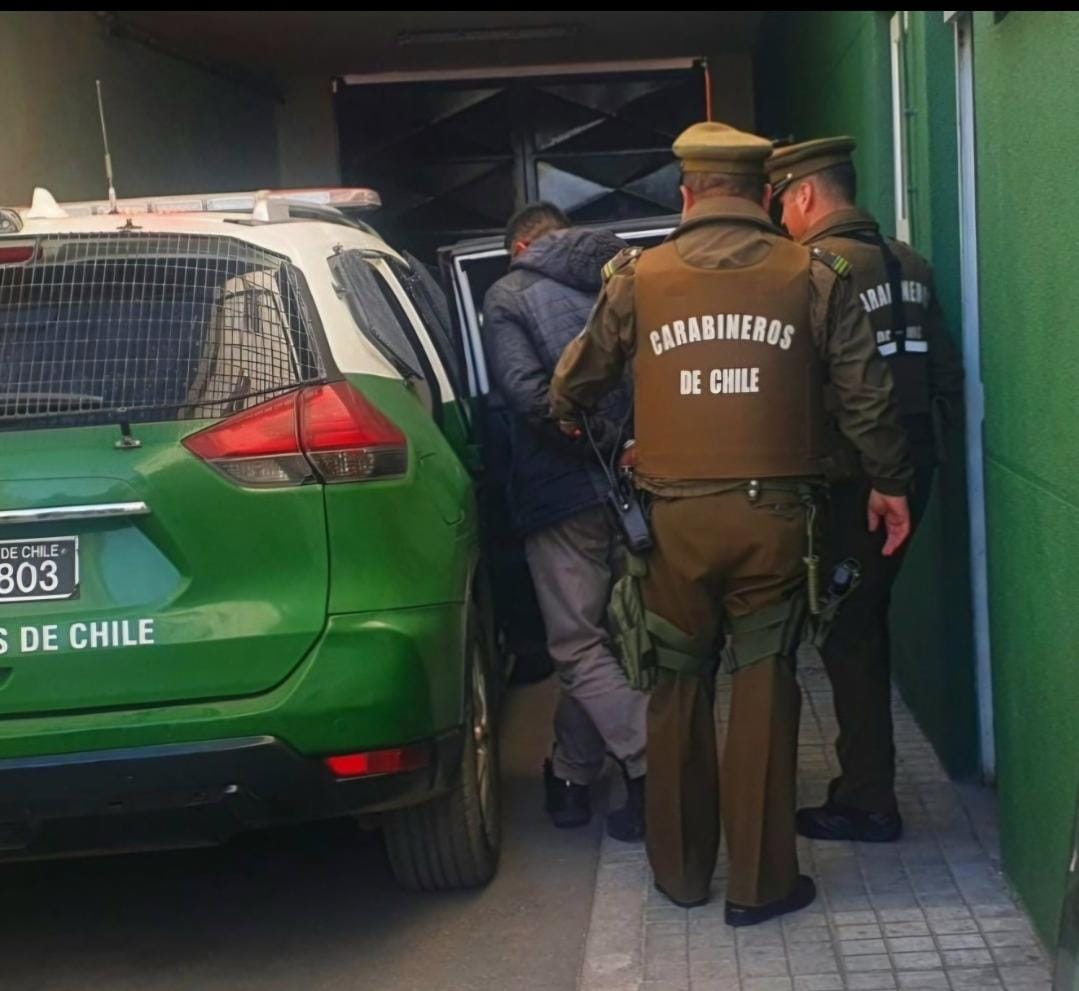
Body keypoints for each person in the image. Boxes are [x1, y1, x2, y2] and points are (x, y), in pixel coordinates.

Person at [549, 122, 912, 925]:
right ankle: (759, 884)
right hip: (776, 520)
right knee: (763, 684)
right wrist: (888, 481)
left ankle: (679, 872)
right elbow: (866, 395)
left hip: (671, 523)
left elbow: (575, 381)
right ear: (763, 196)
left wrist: (581, 418)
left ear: (686, 193)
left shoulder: (638, 276)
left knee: (675, 685)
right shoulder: (812, 273)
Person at [768, 137, 964, 843]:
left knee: (847, 632)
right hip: (915, 465)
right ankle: (863, 783)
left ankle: (867, 800)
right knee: (864, 620)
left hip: (858, 477)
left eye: (782, 203)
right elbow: (944, 372)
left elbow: (824, 387)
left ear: (806, 196)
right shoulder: (909, 262)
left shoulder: (815, 269)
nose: (782, 221)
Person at [482, 202, 647, 840]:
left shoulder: (509, 292)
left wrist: (594, 444)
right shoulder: (620, 278)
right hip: (632, 487)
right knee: (607, 636)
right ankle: (573, 776)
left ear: (520, 246)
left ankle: (653, 762)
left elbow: (525, 395)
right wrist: (628, 449)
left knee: (576, 645)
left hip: (563, 492)